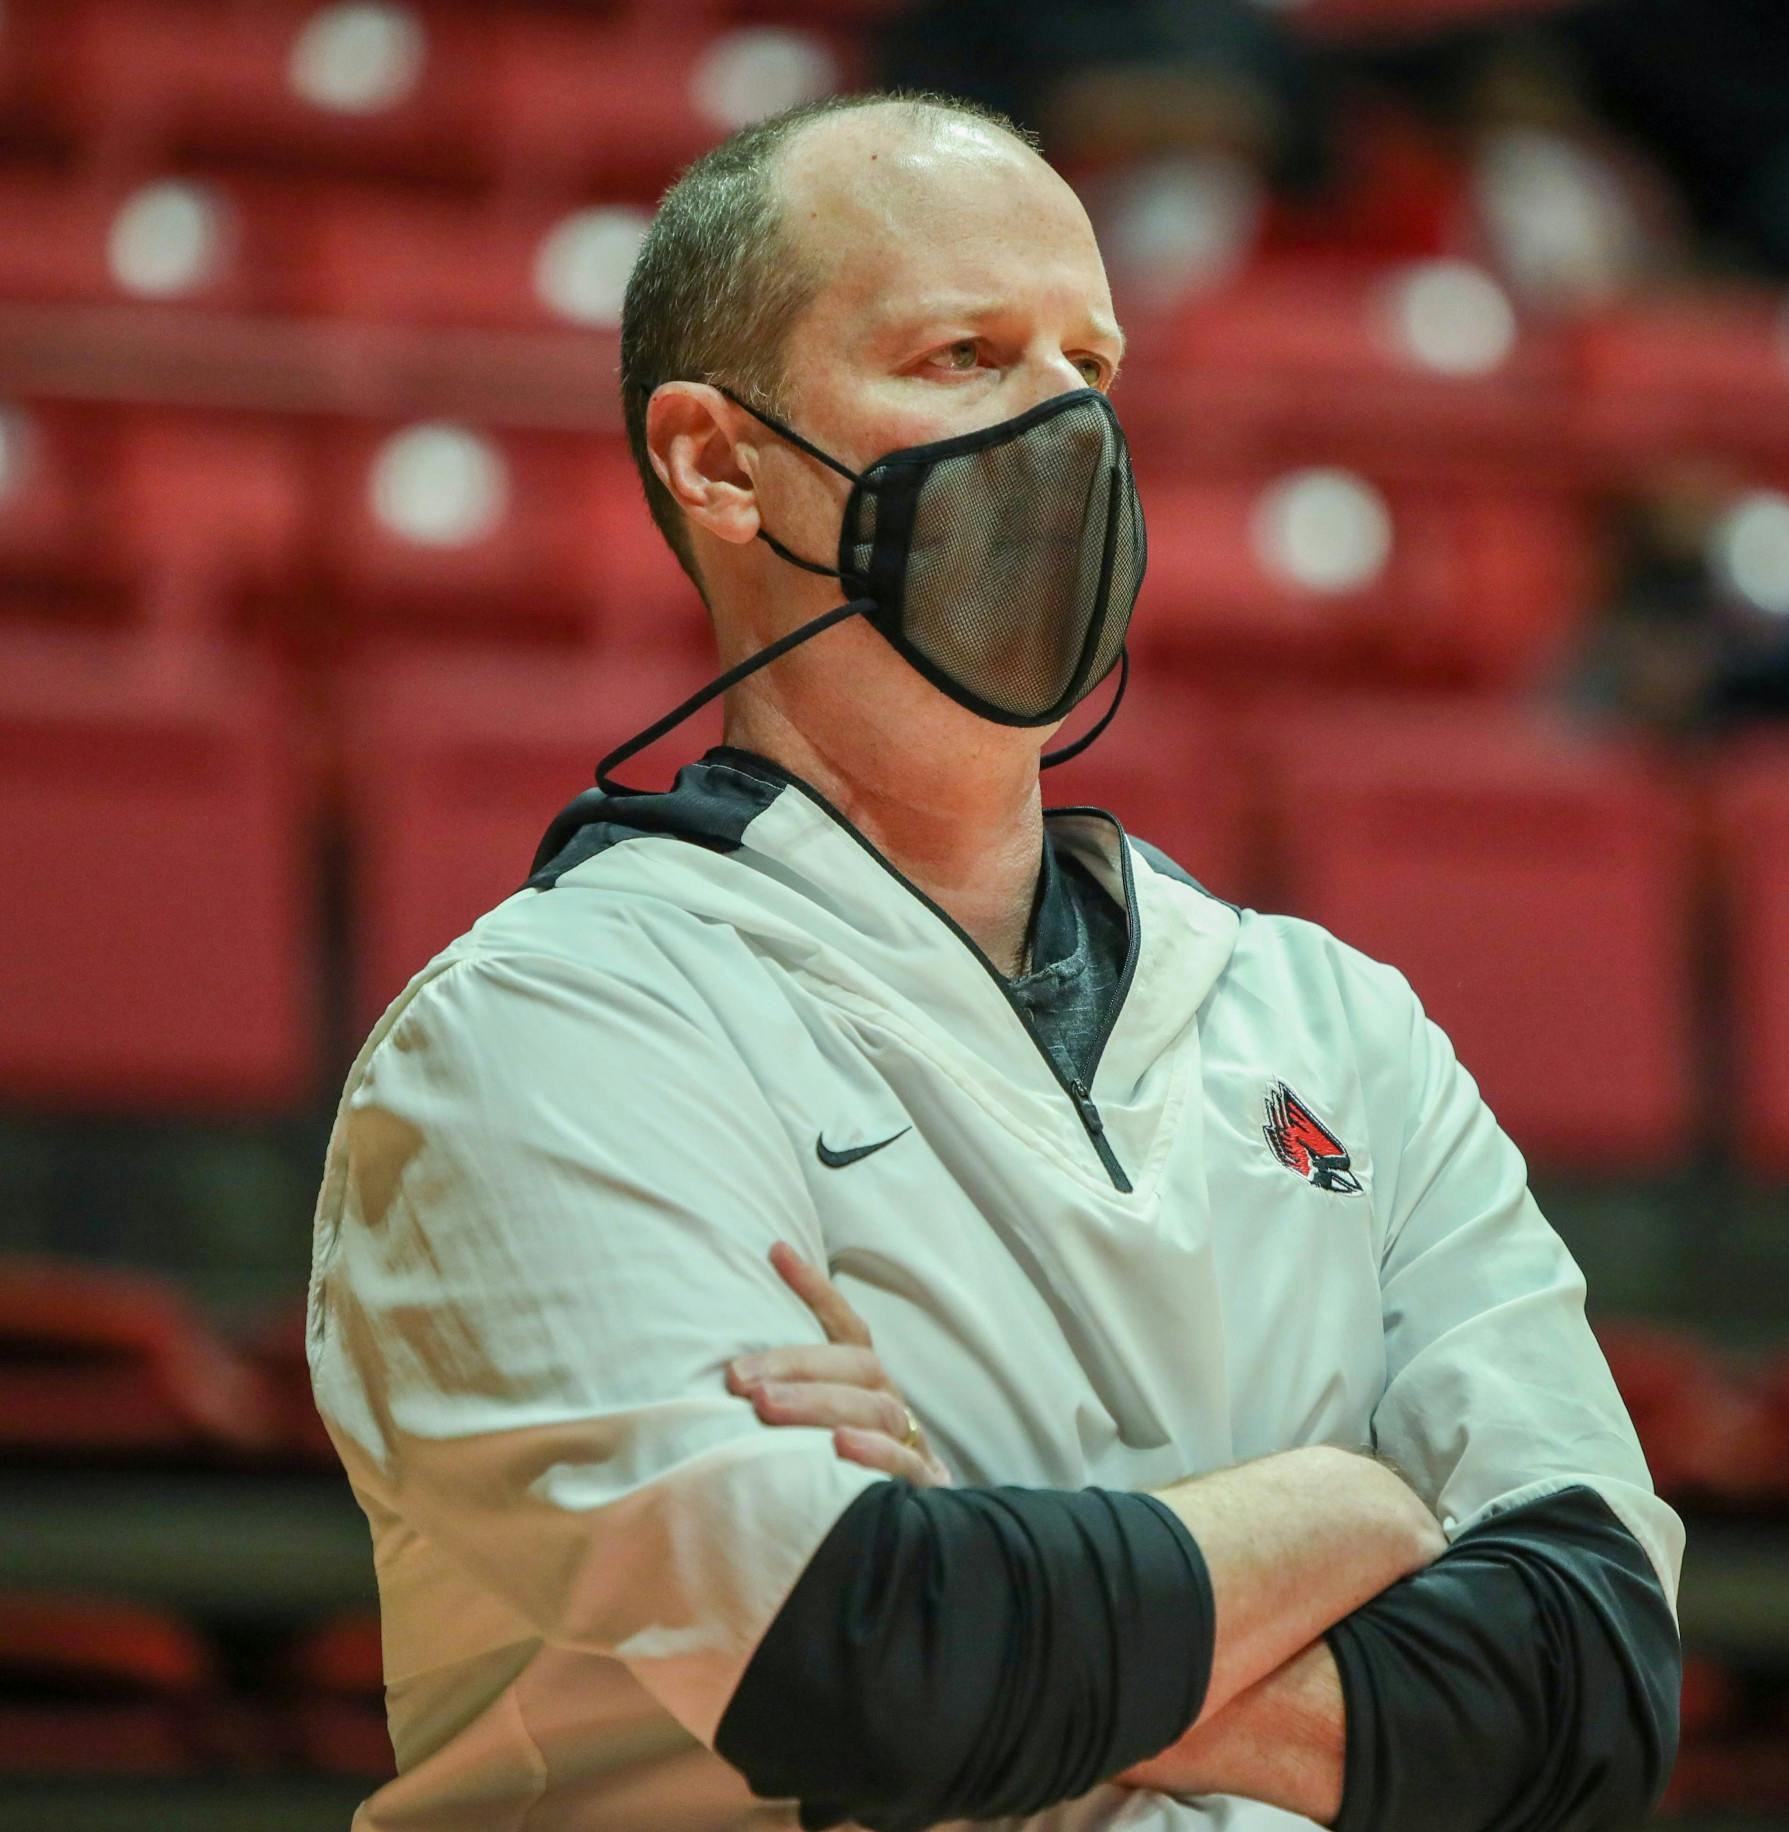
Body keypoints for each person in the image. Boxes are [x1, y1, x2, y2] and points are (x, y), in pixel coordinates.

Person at [307, 89, 1684, 1832]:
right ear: (719, 462)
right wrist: (1356, 1513)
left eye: (1090, 367)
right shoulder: (544, 1033)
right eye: (963, 356)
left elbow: (1594, 1698)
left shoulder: (1345, 1025)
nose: (1064, 426)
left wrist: (990, 1563)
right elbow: (867, 1672)